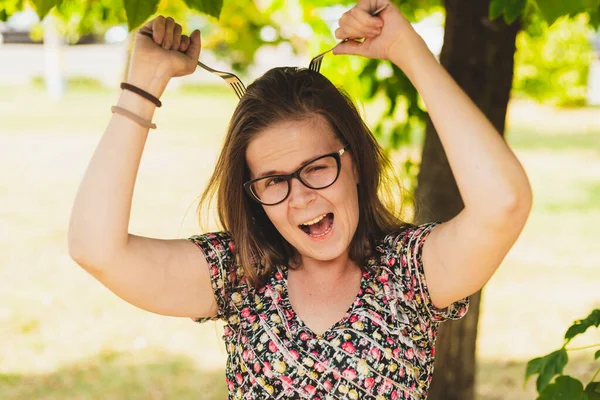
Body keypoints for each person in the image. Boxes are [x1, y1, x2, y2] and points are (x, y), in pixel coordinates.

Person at [68, 1, 532, 398]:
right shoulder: (238, 273)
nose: (302, 199)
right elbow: (96, 248)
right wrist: (143, 85)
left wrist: (406, 51)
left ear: (355, 163)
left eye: (316, 168)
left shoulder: (409, 272)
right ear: (253, 195)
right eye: (273, 181)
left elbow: (504, 203)